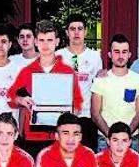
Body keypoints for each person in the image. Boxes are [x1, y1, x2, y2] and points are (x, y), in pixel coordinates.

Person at [8, 20, 83, 158]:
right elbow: (10, 97)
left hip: (59, 138)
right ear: (35, 42)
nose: (45, 45)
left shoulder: (68, 72)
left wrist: (68, 119)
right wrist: (21, 100)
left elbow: (78, 103)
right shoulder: (27, 71)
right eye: (41, 40)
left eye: (49, 40)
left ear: (57, 41)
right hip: (33, 137)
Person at [91, 34, 139, 153]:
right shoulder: (100, 80)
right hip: (105, 139)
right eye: (116, 52)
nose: (120, 56)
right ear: (110, 55)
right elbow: (95, 113)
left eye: (124, 52)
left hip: (131, 139)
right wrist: (112, 137)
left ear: (129, 55)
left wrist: (125, 137)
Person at [57, 14, 103, 150]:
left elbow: (97, 87)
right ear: (67, 32)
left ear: (85, 31)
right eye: (72, 29)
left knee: (86, 159)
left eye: (80, 28)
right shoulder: (58, 56)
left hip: (86, 116)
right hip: (64, 116)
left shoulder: (95, 57)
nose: (76, 32)